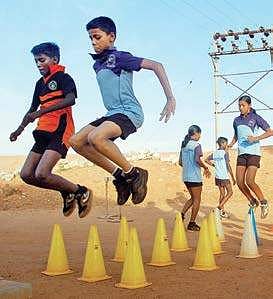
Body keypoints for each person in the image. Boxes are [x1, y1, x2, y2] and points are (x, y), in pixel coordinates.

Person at [69, 16, 176, 205]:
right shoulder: (97, 64)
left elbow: (157, 65)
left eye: (97, 36)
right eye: (90, 38)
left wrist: (170, 98)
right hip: (111, 113)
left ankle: (135, 174)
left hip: (129, 112)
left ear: (111, 37)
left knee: (96, 137)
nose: (93, 41)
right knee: (76, 141)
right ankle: (120, 176)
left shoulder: (120, 58)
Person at [9, 42, 92, 218]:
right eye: (35, 62)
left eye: (41, 60)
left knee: (42, 173)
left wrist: (41, 111)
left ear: (54, 59)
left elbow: (70, 100)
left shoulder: (64, 78)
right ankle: (67, 191)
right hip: (43, 131)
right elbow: (32, 109)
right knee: (26, 175)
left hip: (60, 130)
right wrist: (19, 130)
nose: (38, 64)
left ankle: (80, 191)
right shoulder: (39, 83)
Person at [228, 95, 273, 218]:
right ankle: (253, 201)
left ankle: (263, 202)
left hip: (254, 153)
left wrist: (256, 138)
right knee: (240, 182)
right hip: (241, 154)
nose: (241, 107)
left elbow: (270, 131)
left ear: (249, 105)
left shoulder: (256, 118)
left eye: (243, 105)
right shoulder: (236, 120)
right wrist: (231, 144)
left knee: (249, 180)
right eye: (239, 105)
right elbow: (236, 135)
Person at [178, 125, 211, 231]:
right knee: (197, 199)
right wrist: (206, 168)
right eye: (199, 134)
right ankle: (192, 223)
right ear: (196, 133)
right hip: (195, 177)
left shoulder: (184, 146)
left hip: (186, 177)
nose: (200, 136)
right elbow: (197, 160)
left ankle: (181, 215)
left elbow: (180, 162)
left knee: (193, 198)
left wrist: (188, 166)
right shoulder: (197, 145)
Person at [205, 137, 236, 218]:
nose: (227, 145)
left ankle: (222, 212)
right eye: (226, 143)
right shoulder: (225, 153)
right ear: (222, 143)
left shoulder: (215, 153)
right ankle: (219, 208)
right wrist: (233, 177)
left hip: (217, 177)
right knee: (230, 192)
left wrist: (214, 165)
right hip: (224, 177)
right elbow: (228, 166)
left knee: (222, 194)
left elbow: (206, 160)